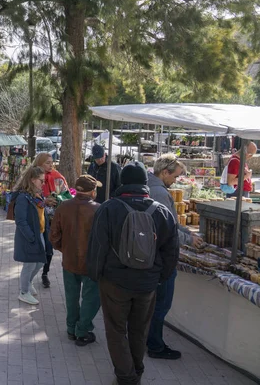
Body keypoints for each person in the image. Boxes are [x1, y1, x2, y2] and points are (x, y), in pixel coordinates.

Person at [87, 162, 179, 385]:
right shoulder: (162, 211)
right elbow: (171, 251)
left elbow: (97, 247)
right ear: (145, 184)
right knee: (139, 330)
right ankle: (136, 370)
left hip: (114, 282)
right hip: (147, 283)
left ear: (122, 182)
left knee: (116, 330)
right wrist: (159, 277)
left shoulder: (108, 208)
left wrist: (95, 275)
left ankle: (127, 377)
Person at [147, 154, 204, 360]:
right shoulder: (160, 193)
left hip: (155, 255)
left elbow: (170, 223)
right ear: (164, 173)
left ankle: (150, 340)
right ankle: (154, 345)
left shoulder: (153, 187)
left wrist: (187, 233)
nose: (176, 180)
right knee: (161, 304)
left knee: (154, 303)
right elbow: (166, 228)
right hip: (163, 258)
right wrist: (187, 239)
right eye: (175, 176)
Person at [50, 175, 101, 346]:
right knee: (91, 298)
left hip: (70, 261)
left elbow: (54, 236)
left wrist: (65, 249)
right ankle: (82, 329)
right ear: (92, 191)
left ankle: (72, 328)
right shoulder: (98, 209)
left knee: (72, 297)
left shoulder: (64, 207)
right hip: (90, 263)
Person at [13, 166, 53, 305]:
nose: (43, 183)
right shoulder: (23, 197)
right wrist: (31, 237)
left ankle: (28, 283)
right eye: (41, 181)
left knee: (41, 261)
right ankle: (24, 292)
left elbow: (40, 213)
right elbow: (21, 221)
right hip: (30, 236)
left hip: (39, 233)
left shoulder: (36, 195)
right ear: (32, 180)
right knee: (29, 264)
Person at [33, 152, 68, 288]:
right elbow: (27, 195)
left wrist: (60, 200)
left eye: (51, 162)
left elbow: (66, 193)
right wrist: (44, 201)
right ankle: (29, 274)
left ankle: (45, 273)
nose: (51, 164)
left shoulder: (57, 176)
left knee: (49, 249)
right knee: (40, 247)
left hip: (53, 219)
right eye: (47, 162)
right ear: (40, 163)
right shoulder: (32, 176)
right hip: (38, 218)